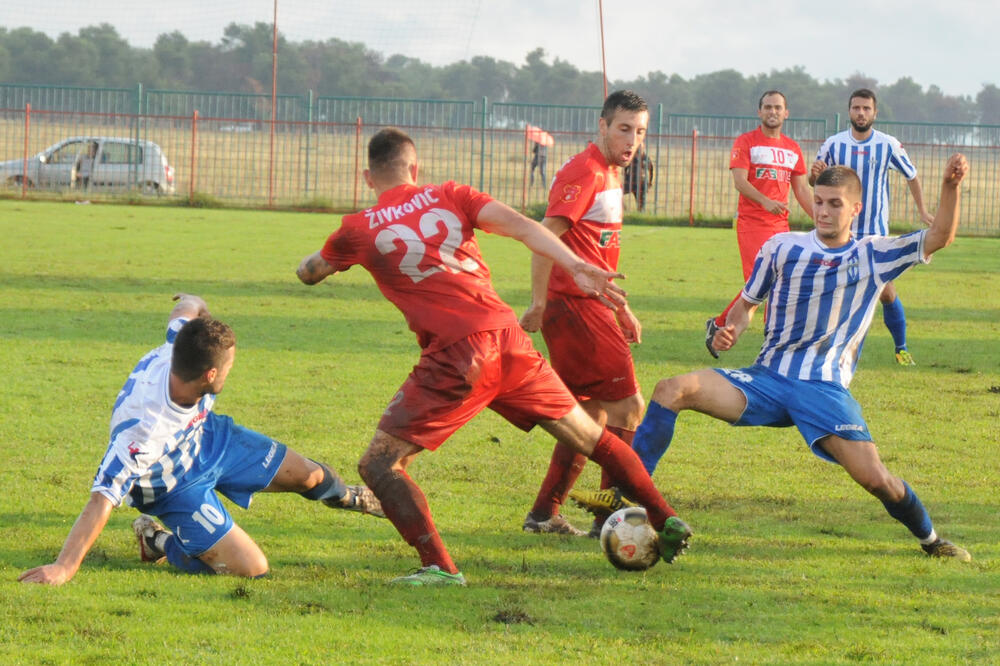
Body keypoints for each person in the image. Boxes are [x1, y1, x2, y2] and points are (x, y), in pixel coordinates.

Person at [296, 127, 690, 586]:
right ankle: (665, 517)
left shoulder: (357, 229)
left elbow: (310, 273)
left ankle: (439, 569)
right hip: (509, 339)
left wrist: (325, 255)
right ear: (415, 167)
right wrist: (578, 265)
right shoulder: (451, 193)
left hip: (458, 354)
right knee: (595, 439)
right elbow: (525, 227)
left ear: (368, 177)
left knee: (379, 466)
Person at [578, 155, 972, 562]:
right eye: (818, 201)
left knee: (877, 480)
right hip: (766, 380)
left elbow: (939, 235)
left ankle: (931, 540)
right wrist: (731, 329)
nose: (823, 210)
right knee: (671, 389)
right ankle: (623, 502)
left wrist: (950, 187)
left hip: (823, 389)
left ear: (856, 208)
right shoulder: (782, 247)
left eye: (835, 203)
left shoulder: (873, 253)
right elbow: (746, 306)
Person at [18, 294, 383, 586]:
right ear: (210, 374)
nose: (230, 370)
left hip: (207, 439)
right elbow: (101, 498)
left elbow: (186, 308)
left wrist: (196, 303)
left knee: (309, 475)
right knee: (251, 568)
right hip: (171, 485)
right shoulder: (144, 430)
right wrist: (64, 566)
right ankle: (158, 542)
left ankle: (354, 498)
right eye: (228, 367)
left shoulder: (180, 344)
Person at [517, 90, 650, 538]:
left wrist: (622, 308)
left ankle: (544, 514)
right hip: (573, 308)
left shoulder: (611, 173)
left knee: (588, 416)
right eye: (624, 129)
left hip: (589, 305)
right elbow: (544, 236)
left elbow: (596, 255)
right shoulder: (585, 171)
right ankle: (607, 520)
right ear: (602, 126)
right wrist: (538, 303)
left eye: (640, 131)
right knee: (629, 409)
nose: (632, 140)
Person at [809, 89, 935, 366]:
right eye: (856, 108)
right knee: (833, 286)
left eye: (866, 108)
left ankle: (901, 348)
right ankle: (824, 348)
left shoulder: (887, 145)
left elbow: (911, 176)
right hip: (841, 232)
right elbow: (815, 181)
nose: (861, 113)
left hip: (875, 232)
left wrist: (923, 210)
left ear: (874, 113)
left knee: (885, 290)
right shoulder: (833, 144)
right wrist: (814, 174)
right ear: (849, 112)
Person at [705, 90, 813, 359]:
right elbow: (740, 181)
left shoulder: (793, 149)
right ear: (759, 112)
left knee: (777, 282)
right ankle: (768, 337)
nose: (772, 111)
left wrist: (822, 220)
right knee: (760, 283)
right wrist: (765, 201)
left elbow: (801, 190)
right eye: (767, 107)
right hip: (752, 223)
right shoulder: (746, 142)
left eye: (778, 107)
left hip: (781, 227)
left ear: (786, 113)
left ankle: (724, 325)